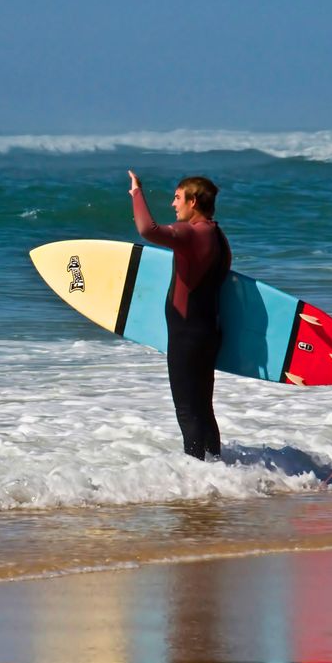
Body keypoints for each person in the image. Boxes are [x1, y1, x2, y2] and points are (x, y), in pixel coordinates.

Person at [128, 170, 232, 460]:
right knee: (203, 408)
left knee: (187, 411)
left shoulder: (191, 234)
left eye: (177, 198)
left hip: (186, 336)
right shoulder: (218, 235)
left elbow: (147, 229)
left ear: (193, 201)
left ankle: (197, 475)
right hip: (209, 331)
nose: (174, 204)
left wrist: (137, 192)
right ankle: (217, 468)